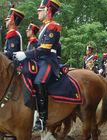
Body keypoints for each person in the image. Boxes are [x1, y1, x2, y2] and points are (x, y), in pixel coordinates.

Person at [13, 0, 61, 131]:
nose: (37, 12)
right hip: (40, 60)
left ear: (48, 10)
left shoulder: (53, 26)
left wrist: (25, 54)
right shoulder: (43, 28)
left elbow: (45, 49)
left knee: (39, 81)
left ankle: (42, 118)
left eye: (40, 10)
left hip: (48, 61)